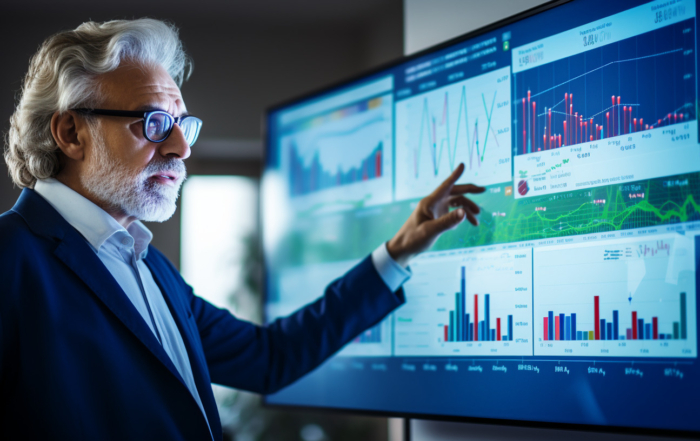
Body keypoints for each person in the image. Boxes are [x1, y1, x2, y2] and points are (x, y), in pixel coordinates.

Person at [0, 19, 484, 440]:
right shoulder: (10, 256)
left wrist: (397, 252)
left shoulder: (148, 266)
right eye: (152, 123)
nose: (180, 148)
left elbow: (270, 358)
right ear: (70, 133)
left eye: (181, 124)